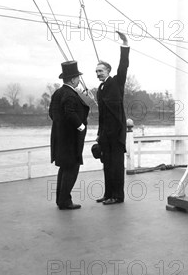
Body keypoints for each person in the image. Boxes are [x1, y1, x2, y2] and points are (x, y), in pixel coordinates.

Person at [95, 31, 130, 205]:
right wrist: (99, 133)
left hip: (116, 134)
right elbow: (101, 116)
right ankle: (108, 194)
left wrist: (125, 43)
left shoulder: (117, 82)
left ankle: (118, 196)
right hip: (105, 135)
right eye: (96, 72)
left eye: (101, 71)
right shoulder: (99, 90)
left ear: (108, 71)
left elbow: (123, 65)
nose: (98, 74)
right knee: (107, 165)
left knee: (116, 166)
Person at [49, 61, 89, 210]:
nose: (79, 79)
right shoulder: (70, 94)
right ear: (73, 79)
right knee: (72, 168)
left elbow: (52, 114)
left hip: (59, 138)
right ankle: (65, 201)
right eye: (78, 77)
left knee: (64, 169)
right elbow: (70, 113)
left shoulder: (57, 93)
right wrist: (81, 126)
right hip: (70, 140)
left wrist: (61, 126)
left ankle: (61, 200)